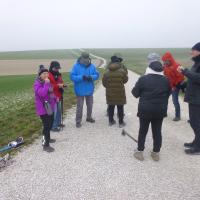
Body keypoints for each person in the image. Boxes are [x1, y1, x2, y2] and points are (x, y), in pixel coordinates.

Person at [132, 61, 171, 161]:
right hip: (160, 110)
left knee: (143, 131)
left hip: (145, 109)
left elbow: (135, 93)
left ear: (149, 68)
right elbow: (168, 93)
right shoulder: (166, 80)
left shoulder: (143, 79)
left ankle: (140, 151)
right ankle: (155, 153)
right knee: (157, 131)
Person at [178, 42, 200, 155]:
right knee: (194, 122)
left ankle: (198, 147)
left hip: (197, 99)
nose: (192, 52)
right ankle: (196, 142)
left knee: (196, 122)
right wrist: (183, 84)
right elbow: (193, 78)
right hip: (194, 97)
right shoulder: (197, 63)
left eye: (194, 50)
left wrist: (185, 71)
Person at [70, 52, 99, 128]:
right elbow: (72, 77)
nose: (85, 60)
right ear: (81, 58)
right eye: (84, 59)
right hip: (80, 90)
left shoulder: (92, 66)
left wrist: (91, 77)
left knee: (90, 105)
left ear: (88, 58)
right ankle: (78, 121)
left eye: (87, 59)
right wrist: (81, 77)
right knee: (80, 106)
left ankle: (89, 118)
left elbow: (97, 75)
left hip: (89, 89)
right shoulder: (76, 66)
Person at [34, 65, 56, 152]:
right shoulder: (37, 84)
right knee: (46, 126)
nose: (46, 75)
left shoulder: (47, 82)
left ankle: (48, 138)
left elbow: (50, 92)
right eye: (44, 73)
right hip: (43, 109)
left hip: (50, 107)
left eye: (47, 73)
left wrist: (55, 99)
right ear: (40, 75)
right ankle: (45, 144)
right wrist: (46, 84)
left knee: (50, 124)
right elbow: (42, 94)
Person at [102, 57, 128, 128]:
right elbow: (125, 81)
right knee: (120, 107)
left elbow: (104, 83)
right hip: (120, 92)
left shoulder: (106, 72)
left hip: (110, 92)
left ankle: (111, 121)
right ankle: (121, 123)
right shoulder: (122, 71)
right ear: (118, 63)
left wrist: (109, 87)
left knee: (111, 107)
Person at [162, 52, 185, 121]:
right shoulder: (165, 66)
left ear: (170, 60)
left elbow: (181, 77)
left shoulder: (177, 66)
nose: (165, 62)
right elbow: (165, 75)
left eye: (166, 61)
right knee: (164, 99)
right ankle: (163, 113)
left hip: (175, 86)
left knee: (175, 101)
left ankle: (178, 116)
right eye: (164, 61)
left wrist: (174, 85)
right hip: (168, 86)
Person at [48, 61, 64, 132]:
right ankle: (53, 127)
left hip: (59, 95)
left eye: (58, 68)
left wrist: (62, 85)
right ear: (52, 67)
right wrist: (58, 86)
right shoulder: (48, 75)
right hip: (52, 96)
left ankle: (58, 123)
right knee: (54, 112)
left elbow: (61, 81)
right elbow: (49, 86)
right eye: (56, 68)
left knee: (59, 110)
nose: (57, 70)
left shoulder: (59, 74)